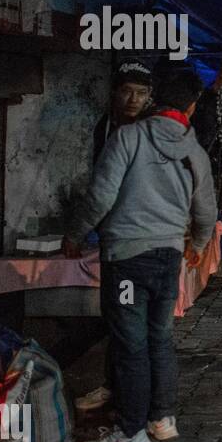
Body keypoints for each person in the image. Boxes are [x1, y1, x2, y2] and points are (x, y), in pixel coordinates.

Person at [63, 66, 217, 442]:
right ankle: (162, 418)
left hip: (128, 258)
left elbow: (100, 196)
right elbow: (205, 211)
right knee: (159, 339)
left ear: (155, 99)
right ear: (192, 107)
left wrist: (75, 235)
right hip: (168, 258)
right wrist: (197, 244)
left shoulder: (128, 138)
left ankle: (130, 431)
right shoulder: (195, 153)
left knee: (131, 347)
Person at [77, 59, 154, 414]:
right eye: (127, 91)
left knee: (139, 319)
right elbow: (99, 182)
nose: (133, 99)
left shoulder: (152, 133)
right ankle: (118, 386)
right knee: (119, 317)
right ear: (114, 93)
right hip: (114, 237)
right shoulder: (104, 129)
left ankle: (134, 394)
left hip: (146, 237)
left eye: (140, 93)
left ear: (150, 97)